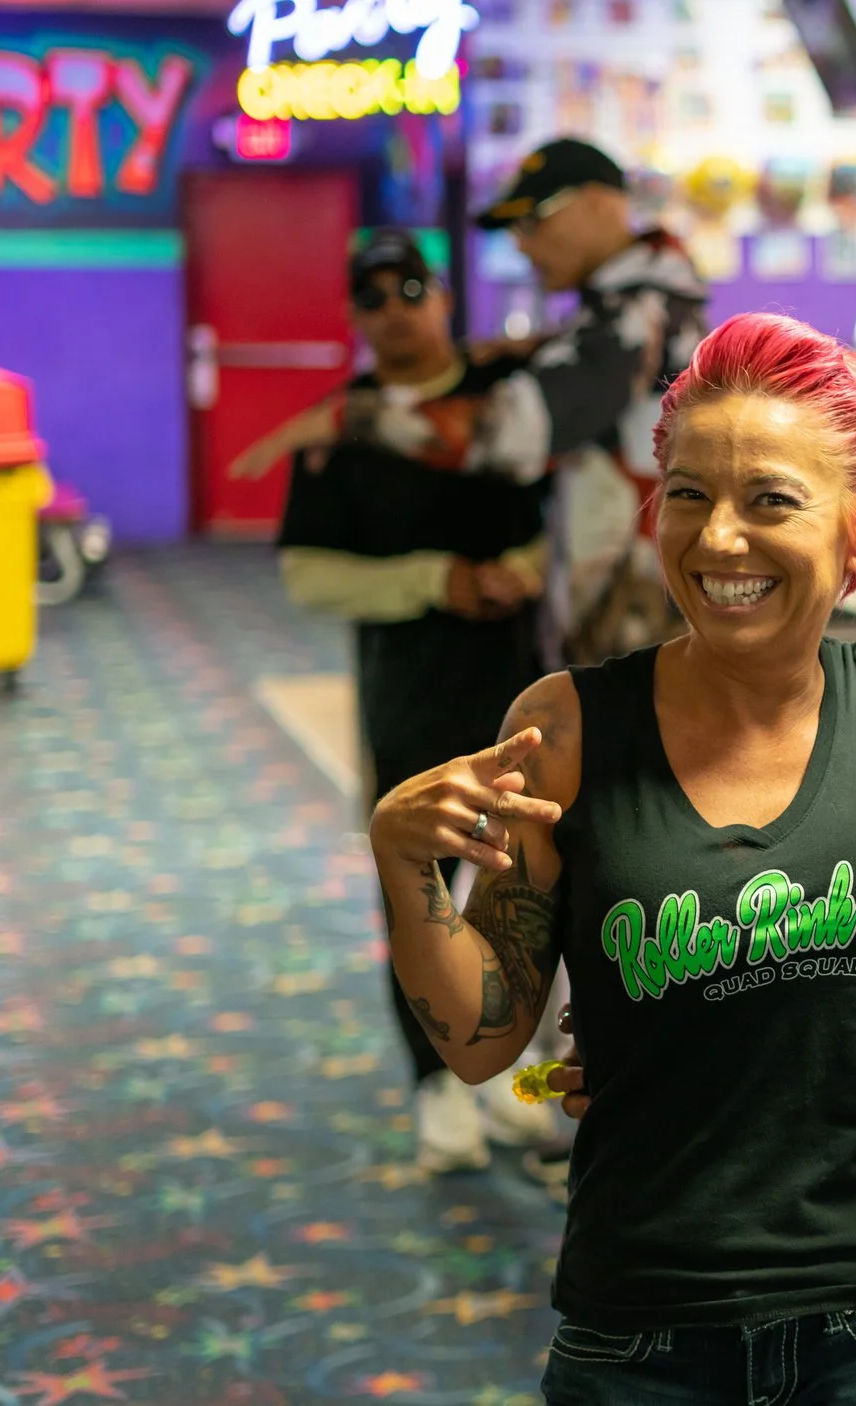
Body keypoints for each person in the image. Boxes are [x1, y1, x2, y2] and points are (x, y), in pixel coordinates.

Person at [365, 314, 856, 1403]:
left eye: (771, 499)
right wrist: (408, 869)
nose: (717, 539)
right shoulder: (567, 728)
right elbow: (484, 1034)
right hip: (641, 1321)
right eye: (688, 494)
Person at [238, 228, 565, 1173]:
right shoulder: (341, 431)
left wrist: (519, 572)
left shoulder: (514, 404)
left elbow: (576, 516)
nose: (395, 309)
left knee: (530, 882)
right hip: (411, 694)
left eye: (410, 286)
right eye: (372, 296)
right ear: (355, 315)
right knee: (418, 891)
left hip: (533, 688)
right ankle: (434, 1085)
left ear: (443, 296)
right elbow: (307, 574)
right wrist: (433, 580)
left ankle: (509, 1070)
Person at [284, 139, 710, 666]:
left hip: (632, 633)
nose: (522, 245)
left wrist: (351, 417)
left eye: (533, 221)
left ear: (599, 203)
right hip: (616, 622)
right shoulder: (631, 310)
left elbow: (511, 435)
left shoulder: (632, 317)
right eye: (372, 300)